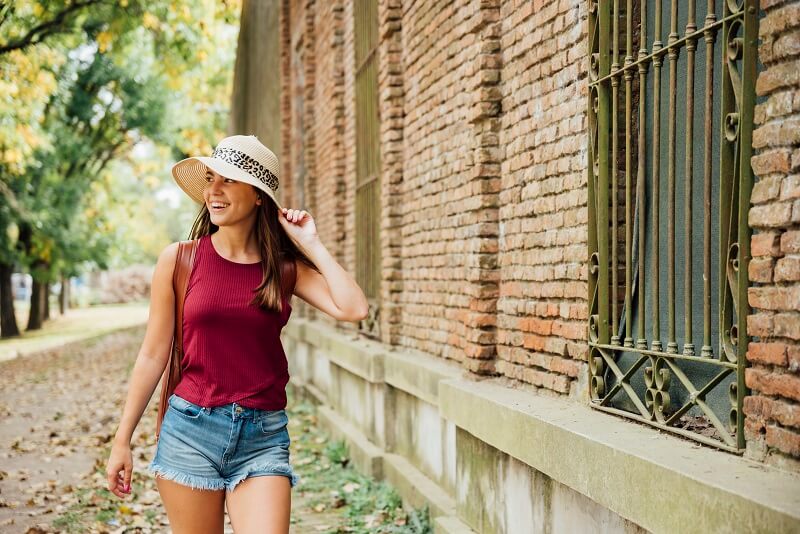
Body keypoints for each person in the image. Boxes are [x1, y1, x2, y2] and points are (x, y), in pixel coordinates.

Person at [105, 135, 369, 533]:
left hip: (262, 437)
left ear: (259, 195)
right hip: (190, 432)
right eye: (211, 179)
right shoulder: (179, 260)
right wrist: (121, 439)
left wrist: (311, 243)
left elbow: (354, 308)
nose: (215, 190)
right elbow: (152, 354)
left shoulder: (282, 270)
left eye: (229, 180)